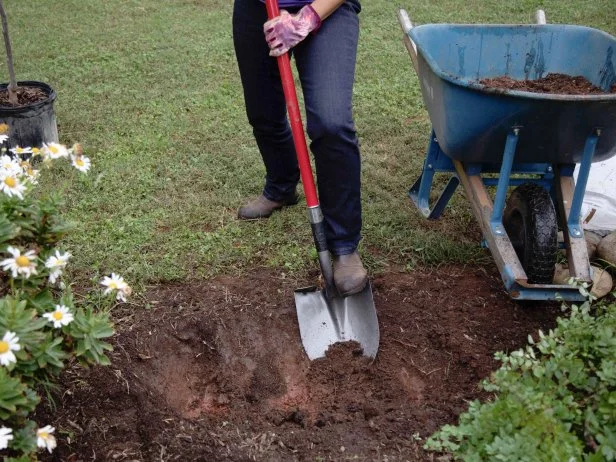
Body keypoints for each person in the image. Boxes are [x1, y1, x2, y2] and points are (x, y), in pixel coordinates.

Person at [233, 0, 366, 296]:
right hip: (257, 8)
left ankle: (344, 244)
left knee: (331, 124)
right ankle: (281, 186)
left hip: (326, 9)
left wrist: (308, 17)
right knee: (263, 113)